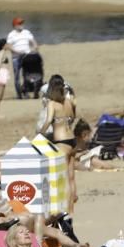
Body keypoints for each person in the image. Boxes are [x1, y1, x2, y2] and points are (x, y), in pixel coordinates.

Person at [39, 76, 79, 210]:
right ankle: (72, 208)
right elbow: (73, 118)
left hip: (61, 142)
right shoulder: (68, 101)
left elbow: (48, 120)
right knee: (72, 176)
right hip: (72, 140)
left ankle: (67, 210)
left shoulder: (52, 104)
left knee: (65, 178)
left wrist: (40, 134)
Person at [6, 17, 38, 99]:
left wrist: (33, 49)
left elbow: (34, 43)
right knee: (17, 76)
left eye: (22, 23)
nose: (22, 25)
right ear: (15, 25)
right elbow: (8, 46)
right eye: (19, 23)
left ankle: (26, 92)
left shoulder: (27, 32)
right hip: (16, 58)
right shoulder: (11, 34)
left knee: (27, 76)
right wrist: (17, 52)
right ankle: (19, 94)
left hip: (27, 57)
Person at [0, 38, 13, 119]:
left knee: (1, 96)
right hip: (1, 73)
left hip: (4, 74)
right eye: (6, 44)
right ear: (3, 45)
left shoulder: (5, 52)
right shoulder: (1, 53)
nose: (8, 45)